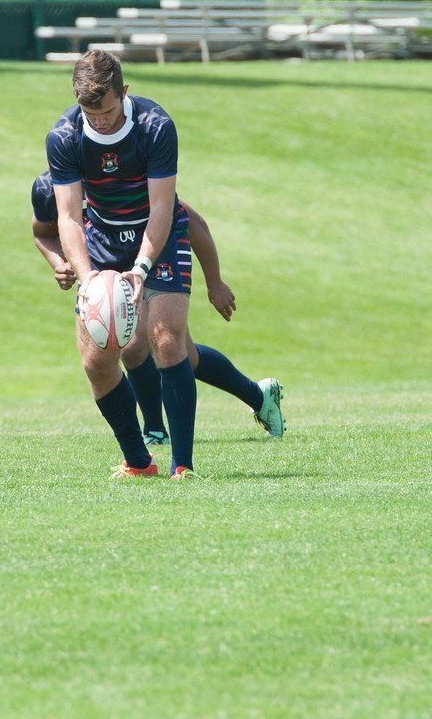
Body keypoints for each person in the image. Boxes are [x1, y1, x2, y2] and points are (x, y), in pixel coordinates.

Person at [29, 170, 283, 443]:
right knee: (186, 356)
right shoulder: (48, 189)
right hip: (107, 269)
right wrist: (60, 264)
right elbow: (41, 232)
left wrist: (215, 282)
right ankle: (259, 396)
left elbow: (193, 222)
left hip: (155, 254)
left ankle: (154, 431)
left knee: (143, 344)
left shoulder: (118, 179)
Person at [44, 50, 201, 479]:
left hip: (157, 235)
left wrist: (142, 267)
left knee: (166, 336)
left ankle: (183, 466)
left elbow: (162, 208)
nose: (100, 122)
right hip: (103, 240)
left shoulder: (155, 126)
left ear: (124, 92)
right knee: (96, 360)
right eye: (90, 114)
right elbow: (68, 217)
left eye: (108, 112)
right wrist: (87, 278)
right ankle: (138, 462)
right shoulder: (64, 136)